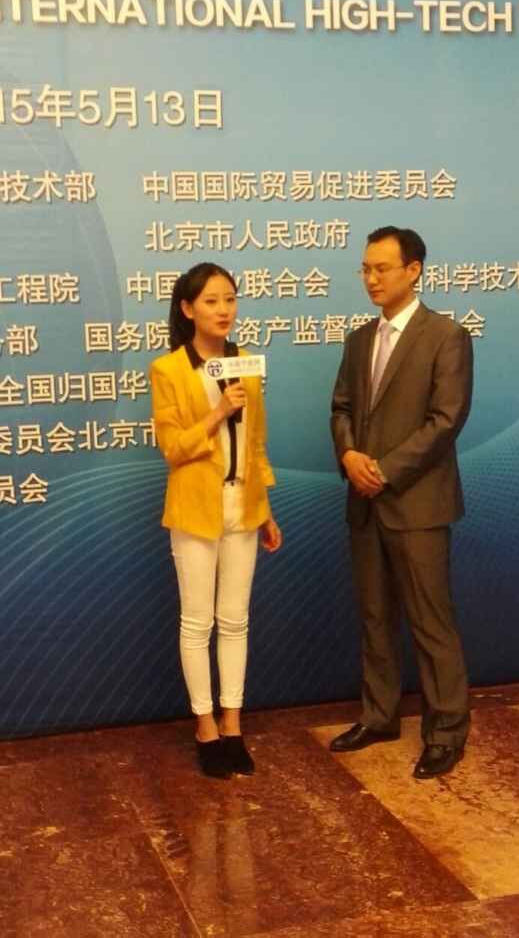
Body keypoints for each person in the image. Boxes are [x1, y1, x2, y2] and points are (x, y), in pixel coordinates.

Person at [330, 227, 473, 779]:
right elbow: (342, 408)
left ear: (413, 270)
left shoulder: (446, 336)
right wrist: (349, 456)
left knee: (431, 622)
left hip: (418, 504)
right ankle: (379, 716)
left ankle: (446, 732)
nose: (371, 278)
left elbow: (446, 420)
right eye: (366, 268)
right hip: (364, 503)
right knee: (375, 617)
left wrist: (384, 471)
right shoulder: (359, 340)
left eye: (382, 268)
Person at [150, 263, 281, 779]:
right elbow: (173, 447)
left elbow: (257, 442)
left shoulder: (245, 362)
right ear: (187, 309)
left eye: (230, 298)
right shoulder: (169, 370)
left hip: (243, 506)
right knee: (197, 621)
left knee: (235, 619)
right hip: (195, 511)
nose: (224, 309)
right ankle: (204, 726)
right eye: (211, 300)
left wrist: (265, 508)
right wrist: (218, 411)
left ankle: (233, 724)